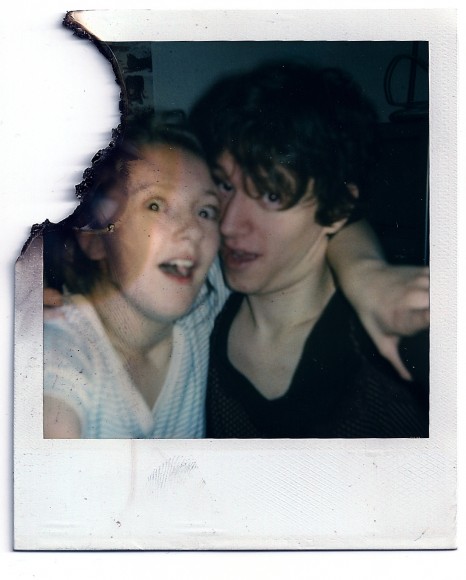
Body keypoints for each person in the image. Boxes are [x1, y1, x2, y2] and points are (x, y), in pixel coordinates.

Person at [188, 61, 429, 437]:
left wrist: (368, 274)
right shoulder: (201, 301)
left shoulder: (389, 342)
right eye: (225, 185)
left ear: (337, 208)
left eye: (272, 194)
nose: (229, 223)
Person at [43, 116, 229, 438]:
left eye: (205, 211)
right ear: (96, 240)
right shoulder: (60, 353)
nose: (193, 231)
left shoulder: (204, 302)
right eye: (155, 205)